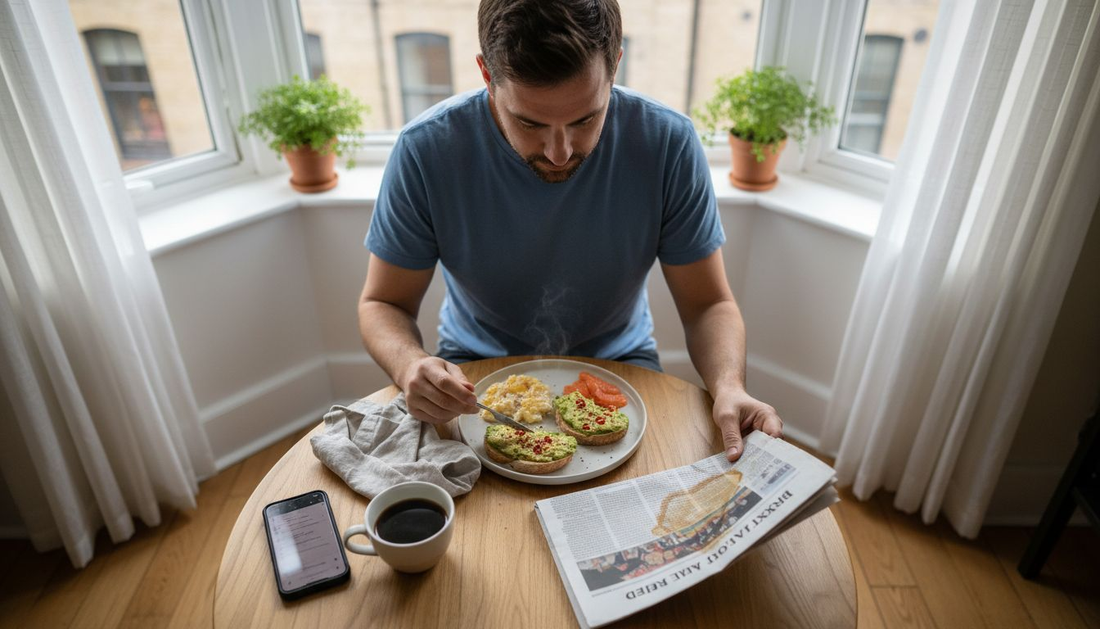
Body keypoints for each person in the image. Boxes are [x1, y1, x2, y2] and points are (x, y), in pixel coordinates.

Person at [358, 0, 782, 461]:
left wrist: (728, 388)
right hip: (473, 371)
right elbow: (383, 303)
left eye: (585, 119)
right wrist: (411, 365)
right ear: (486, 74)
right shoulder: (426, 151)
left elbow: (708, 305)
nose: (560, 152)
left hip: (623, 365)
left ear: (615, 64)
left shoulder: (668, 143)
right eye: (529, 123)